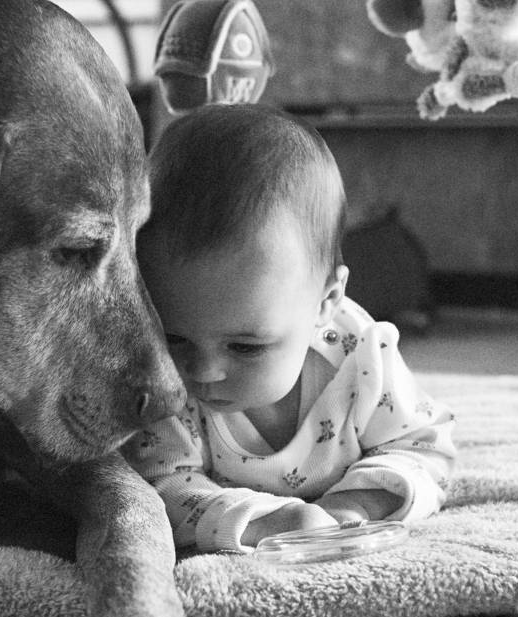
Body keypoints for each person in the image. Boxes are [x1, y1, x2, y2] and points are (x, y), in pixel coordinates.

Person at [123, 103, 457, 554]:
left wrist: (358, 503)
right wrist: (263, 521)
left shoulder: (362, 357)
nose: (201, 371)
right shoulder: (162, 382)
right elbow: (158, 485)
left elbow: (426, 447)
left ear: (326, 302)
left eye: (245, 346)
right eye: (174, 337)